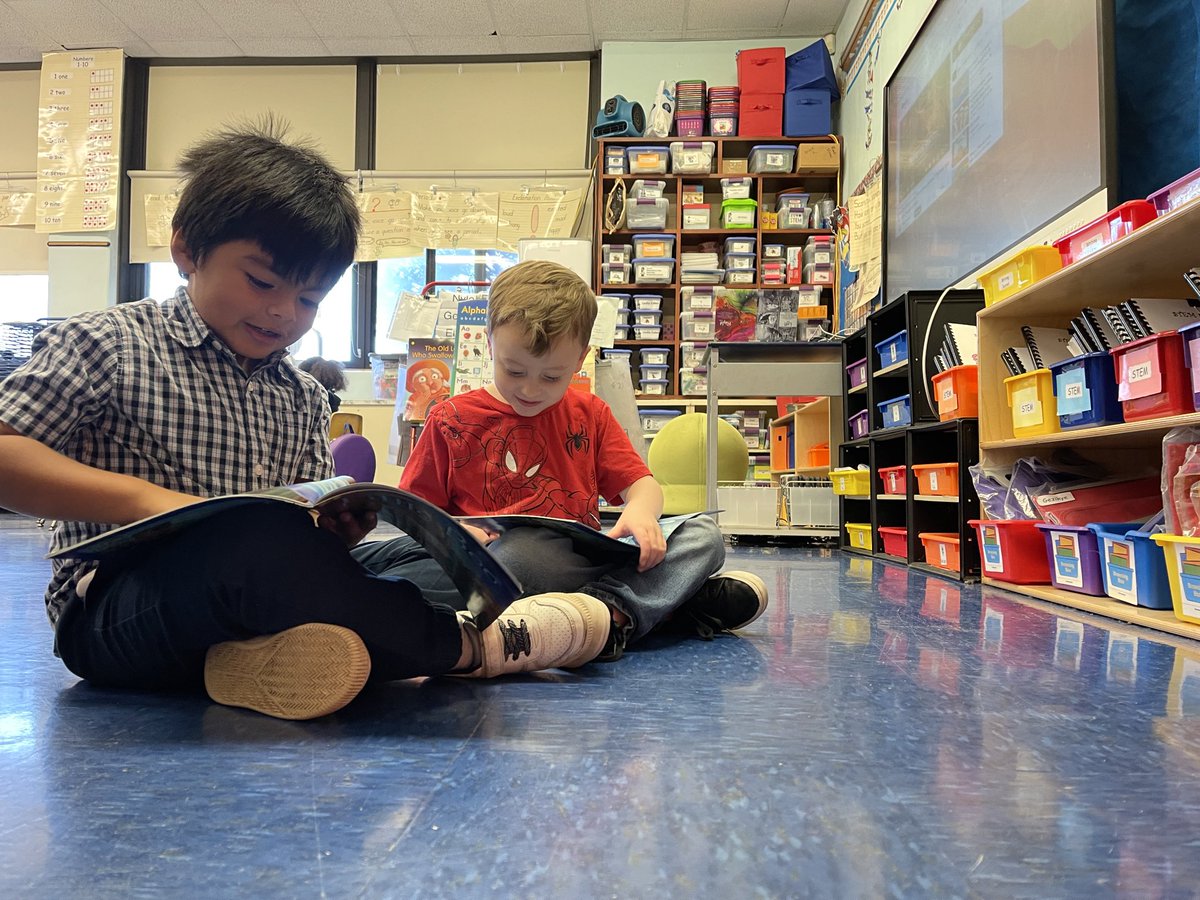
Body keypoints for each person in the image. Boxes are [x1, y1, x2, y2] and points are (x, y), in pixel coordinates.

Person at [0, 121, 611, 722]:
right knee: (251, 545)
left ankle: (253, 666)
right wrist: (157, 504)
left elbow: (304, 540)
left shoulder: (300, 394)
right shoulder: (107, 343)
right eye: (261, 281)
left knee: (513, 556)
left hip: (263, 603)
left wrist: (339, 527)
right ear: (187, 249)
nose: (281, 312)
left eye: (310, 299)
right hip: (116, 609)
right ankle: (473, 648)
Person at [399, 259, 770, 659]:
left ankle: (604, 615)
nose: (530, 389)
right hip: (508, 564)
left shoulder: (589, 413)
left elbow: (641, 484)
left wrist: (642, 513)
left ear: (579, 361)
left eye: (551, 376)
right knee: (520, 561)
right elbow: (413, 514)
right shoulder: (450, 419)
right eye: (514, 369)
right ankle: (664, 605)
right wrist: (454, 533)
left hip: (586, 557)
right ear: (489, 342)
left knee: (703, 536)